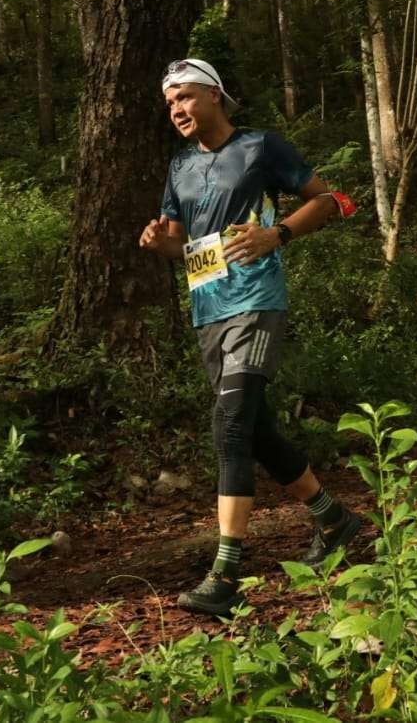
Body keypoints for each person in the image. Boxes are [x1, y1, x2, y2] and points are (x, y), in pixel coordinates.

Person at [139, 58, 360, 618]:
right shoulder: (180, 166)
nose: (178, 110)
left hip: (256, 302)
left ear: (215, 96)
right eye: (170, 104)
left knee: (231, 422)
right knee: (255, 430)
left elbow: (332, 200)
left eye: (186, 97)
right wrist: (158, 242)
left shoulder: (261, 146)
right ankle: (335, 519)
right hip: (208, 308)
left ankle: (226, 570)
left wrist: (276, 234)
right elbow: (180, 244)